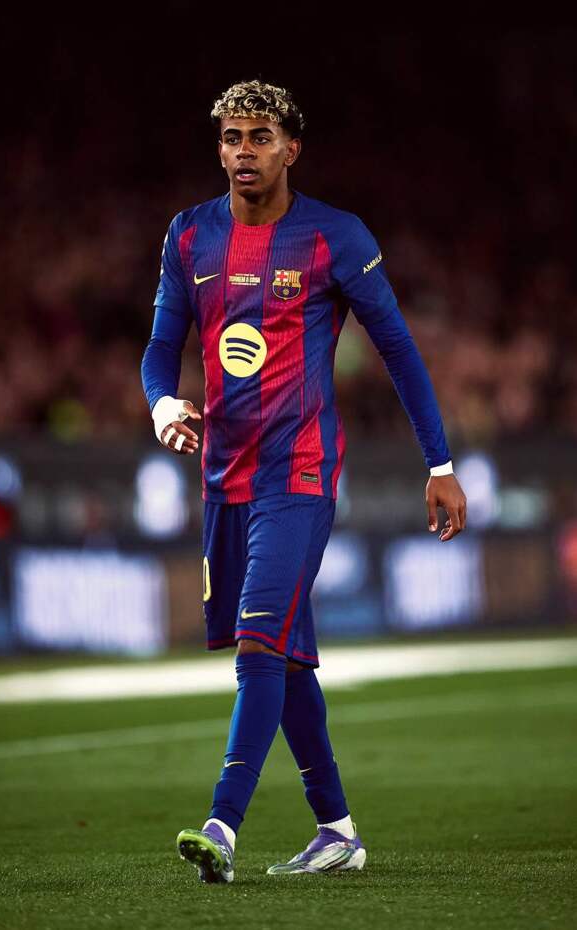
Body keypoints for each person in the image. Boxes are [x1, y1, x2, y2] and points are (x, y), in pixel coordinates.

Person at [141, 79, 467, 884]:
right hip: (224, 479)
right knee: (284, 659)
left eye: (259, 136)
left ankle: (222, 825)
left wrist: (440, 463)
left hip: (300, 474)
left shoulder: (334, 238)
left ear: (292, 148)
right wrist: (162, 404)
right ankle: (337, 832)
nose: (242, 151)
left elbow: (398, 350)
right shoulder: (189, 236)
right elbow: (161, 345)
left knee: (259, 644)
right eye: (230, 137)